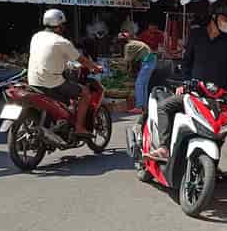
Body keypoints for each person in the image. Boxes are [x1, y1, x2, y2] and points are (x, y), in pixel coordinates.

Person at [149, 3, 227, 161]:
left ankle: (211, 160)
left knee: (220, 128)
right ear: (214, 18)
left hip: (218, 97)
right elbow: (186, 63)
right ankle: (164, 147)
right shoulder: (196, 35)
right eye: (225, 19)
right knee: (163, 107)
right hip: (193, 92)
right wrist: (182, 84)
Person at [27, 9, 101, 137]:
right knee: (85, 93)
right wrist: (95, 67)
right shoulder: (61, 41)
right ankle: (79, 128)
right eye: (63, 25)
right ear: (59, 25)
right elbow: (81, 60)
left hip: (33, 80)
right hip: (52, 82)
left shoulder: (36, 36)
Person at [119, 32, 157, 113]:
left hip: (147, 62)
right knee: (144, 85)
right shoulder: (134, 42)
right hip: (151, 61)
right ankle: (144, 107)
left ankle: (139, 107)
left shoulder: (128, 46)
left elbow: (127, 61)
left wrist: (120, 67)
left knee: (139, 84)